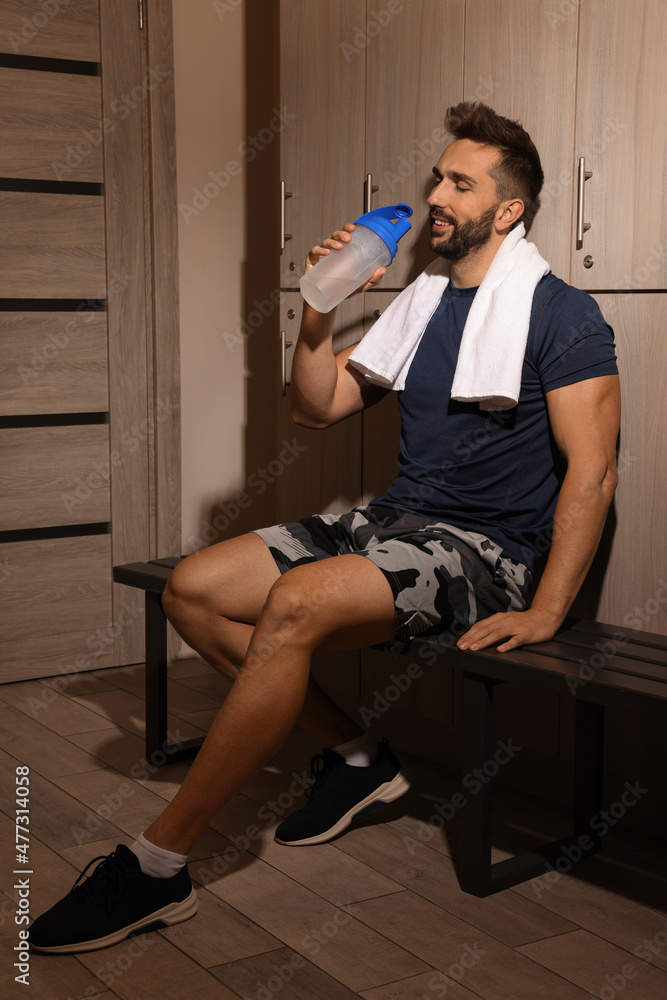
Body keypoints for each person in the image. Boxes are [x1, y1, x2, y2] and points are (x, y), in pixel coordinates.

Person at [29, 102, 620, 954]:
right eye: (437, 176)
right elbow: (315, 410)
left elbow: (592, 473)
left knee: (295, 603)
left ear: (508, 209)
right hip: (393, 523)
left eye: (459, 182)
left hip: (485, 551)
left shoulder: (561, 314)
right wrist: (320, 305)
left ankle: (156, 868)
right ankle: (358, 760)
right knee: (193, 591)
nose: (434, 194)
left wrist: (548, 611)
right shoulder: (419, 305)